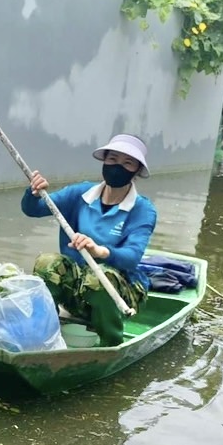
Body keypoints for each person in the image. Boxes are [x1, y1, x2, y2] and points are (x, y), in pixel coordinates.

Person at [21, 134, 157, 347]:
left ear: (137, 170)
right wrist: (34, 193)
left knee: (98, 276)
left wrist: (100, 251)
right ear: (104, 161)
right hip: (78, 288)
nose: (117, 167)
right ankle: (44, 331)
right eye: (112, 159)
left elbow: (132, 257)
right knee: (47, 263)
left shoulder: (142, 209)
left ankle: (110, 343)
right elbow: (33, 210)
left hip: (119, 291)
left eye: (127, 163)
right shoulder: (80, 194)